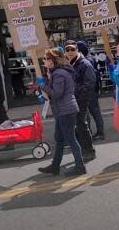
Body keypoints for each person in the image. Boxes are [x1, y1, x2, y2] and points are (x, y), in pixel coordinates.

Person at [38, 48, 86, 176]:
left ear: (53, 60)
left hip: (66, 110)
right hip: (64, 109)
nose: (44, 61)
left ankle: (80, 166)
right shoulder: (59, 72)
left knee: (71, 139)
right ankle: (55, 166)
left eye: (46, 59)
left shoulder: (59, 73)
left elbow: (56, 94)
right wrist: (48, 79)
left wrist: (43, 86)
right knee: (59, 139)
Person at [64, 41, 96, 161]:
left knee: (81, 125)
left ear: (77, 50)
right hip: (71, 100)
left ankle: (89, 151)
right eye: (68, 50)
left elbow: (90, 83)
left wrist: (81, 98)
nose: (70, 52)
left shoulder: (84, 64)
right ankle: (83, 150)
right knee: (75, 126)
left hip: (81, 100)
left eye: (72, 49)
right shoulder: (67, 64)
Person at [75, 41, 106, 142]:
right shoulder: (90, 57)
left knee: (93, 111)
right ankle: (96, 133)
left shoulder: (86, 60)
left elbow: (89, 78)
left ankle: (100, 133)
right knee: (93, 111)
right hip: (93, 89)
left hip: (90, 90)